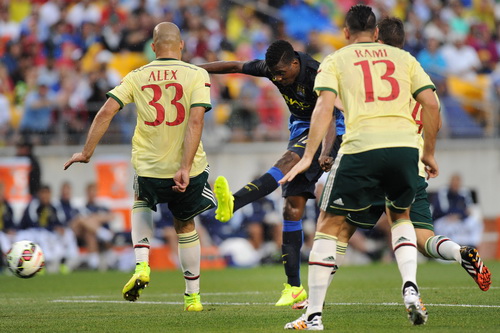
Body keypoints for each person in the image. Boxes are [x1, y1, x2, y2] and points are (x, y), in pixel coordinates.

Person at [289, 18, 493, 312]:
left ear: (376, 40)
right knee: (420, 235)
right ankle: (457, 254)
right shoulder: (409, 68)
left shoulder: (367, 70)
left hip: (370, 156)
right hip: (411, 161)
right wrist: (429, 154)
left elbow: (339, 106)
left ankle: (314, 303)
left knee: (338, 230)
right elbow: (432, 105)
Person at [281, 5, 440, 330]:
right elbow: (432, 104)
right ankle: (410, 286)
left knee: (328, 225)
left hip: (362, 147)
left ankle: (313, 316)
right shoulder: (405, 59)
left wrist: (309, 156)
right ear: (377, 33)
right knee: (401, 216)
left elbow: (324, 107)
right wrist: (430, 154)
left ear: (346, 33)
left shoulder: (336, 60)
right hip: (405, 148)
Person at [64, 22, 216, 312]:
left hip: (150, 168)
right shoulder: (198, 74)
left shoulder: (137, 75)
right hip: (189, 168)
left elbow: (107, 110)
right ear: (181, 45)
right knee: (185, 225)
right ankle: (192, 297)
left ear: (154, 48)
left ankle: (142, 264)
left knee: (142, 201)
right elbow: (196, 120)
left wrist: (86, 152)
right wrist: (184, 165)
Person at [199, 39, 344, 307]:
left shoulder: (316, 74)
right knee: (291, 207)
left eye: (282, 73)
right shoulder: (273, 67)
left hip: (330, 129)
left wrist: (325, 152)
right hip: (301, 128)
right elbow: (235, 65)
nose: (277, 78)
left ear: (295, 63)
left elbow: (332, 115)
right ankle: (293, 287)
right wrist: (195, 69)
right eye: (273, 73)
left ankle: (235, 201)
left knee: (289, 159)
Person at [431, 173, 484, 248]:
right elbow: (441, 210)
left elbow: (469, 209)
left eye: (457, 184)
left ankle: (472, 245)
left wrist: (459, 215)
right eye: (454, 183)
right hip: (443, 220)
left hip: (459, 219)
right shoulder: (443, 192)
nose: (455, 186)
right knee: (450, 226)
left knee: (475, 222)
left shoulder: (464, 192)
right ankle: (448, 248)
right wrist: (454, 214)